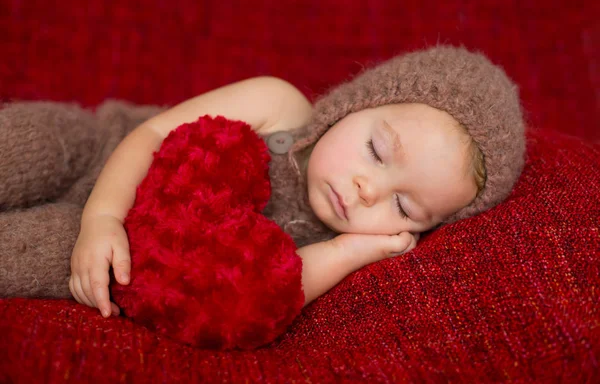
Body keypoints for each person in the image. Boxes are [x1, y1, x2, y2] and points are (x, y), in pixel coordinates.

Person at [0, 46, 525, 319]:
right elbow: (153, 133)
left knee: (50, 257)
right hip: (103, 151)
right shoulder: (279, 106)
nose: (369, 190)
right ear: (355, 104)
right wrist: (102, 215)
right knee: (21, 146)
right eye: (377, 151)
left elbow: (277, 288)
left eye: (406, 207)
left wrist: (346, 252)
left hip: (143, 241)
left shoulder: (340, 241)